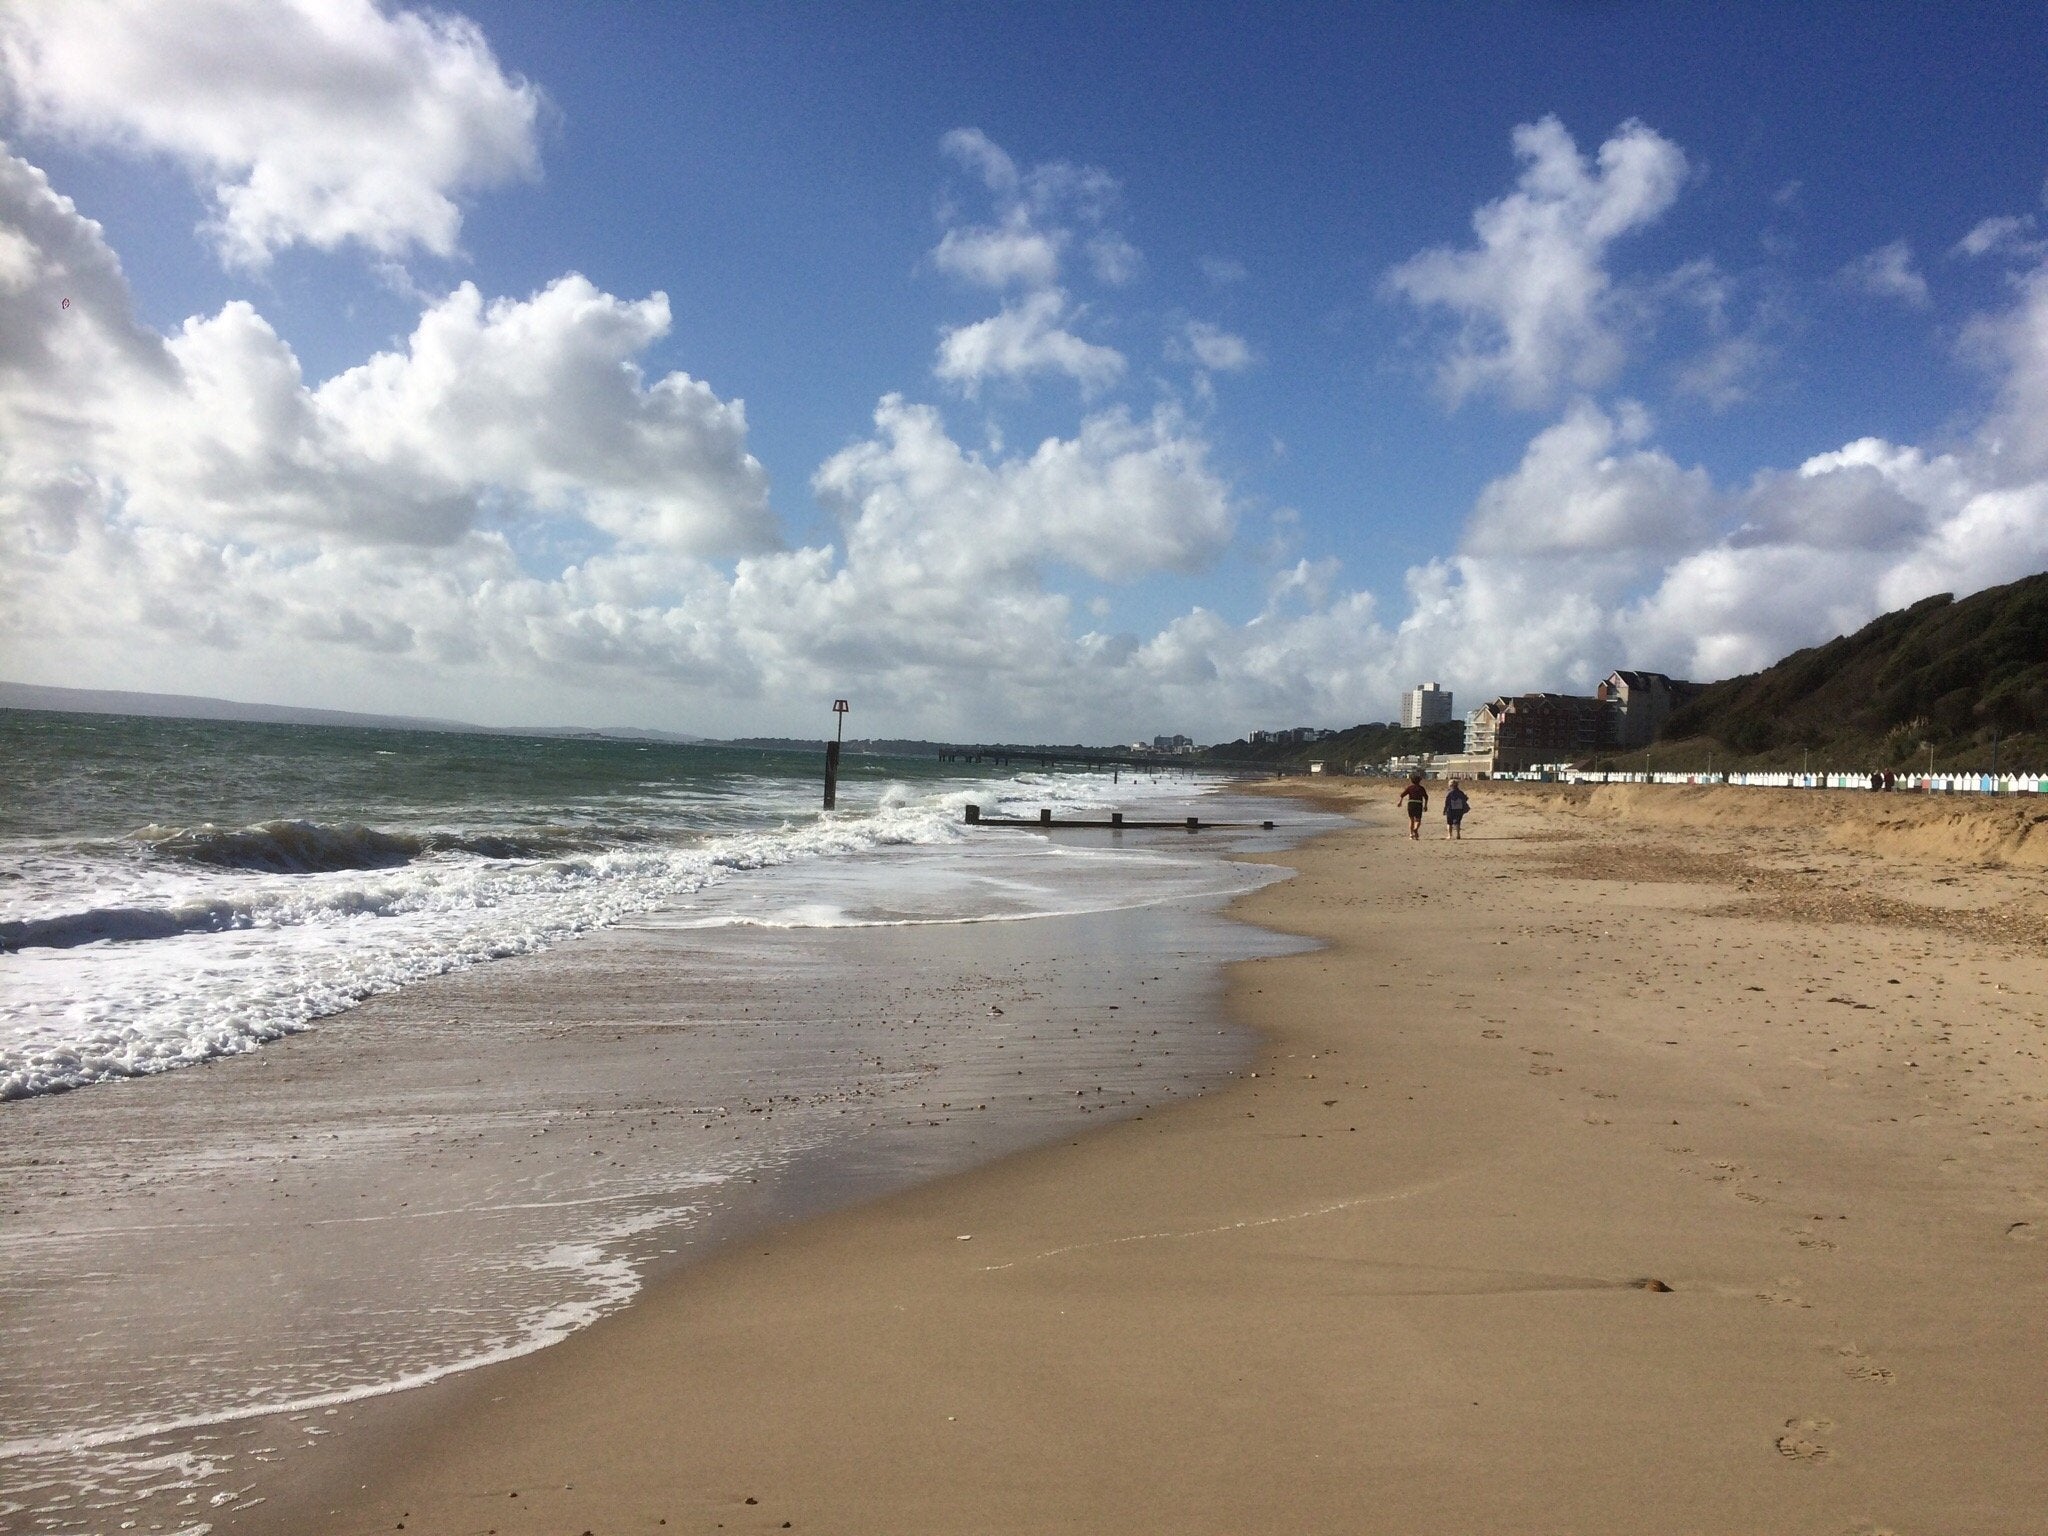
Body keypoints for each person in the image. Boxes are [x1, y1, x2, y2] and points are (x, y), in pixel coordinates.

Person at [1395, 772, 1428, 839]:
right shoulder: (1421, 788)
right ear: (1419, 781)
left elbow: (1402, 795)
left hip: (1411, 803)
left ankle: (1411, 834)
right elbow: (1426, 797)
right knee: (1418, 820)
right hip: (1418, 803)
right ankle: (1415, 829)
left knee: (1411, 819)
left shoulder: (1410, 787)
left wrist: (1400, 802)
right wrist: (1425, 805)